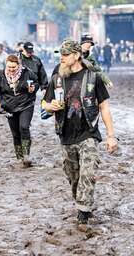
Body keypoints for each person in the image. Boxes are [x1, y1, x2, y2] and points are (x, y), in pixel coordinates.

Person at [42, 39, 118, 224]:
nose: (62, 58)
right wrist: (50, 106)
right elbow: (44, 103)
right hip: (66, 135)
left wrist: (111, 136)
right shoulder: (57, 78)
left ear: (76, 55)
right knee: (73, 176)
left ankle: (84, 211)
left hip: (88, 133)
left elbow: (104, 107)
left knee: (88, 172)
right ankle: (82, 202)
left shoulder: (93, 77)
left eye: (66, 55)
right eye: (60, 55)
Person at [0, 54, 39, 167]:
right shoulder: (1, 75)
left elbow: (37, 82)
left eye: (14, 67)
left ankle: (26, 155)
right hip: (9, 107)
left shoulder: (27, 72)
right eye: (9, 67)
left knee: (24, 127)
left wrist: (34, 87)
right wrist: (1, 102)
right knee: (15, 133)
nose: (11, 69)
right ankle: (19, 156)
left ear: (18, 65)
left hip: (26, 104)